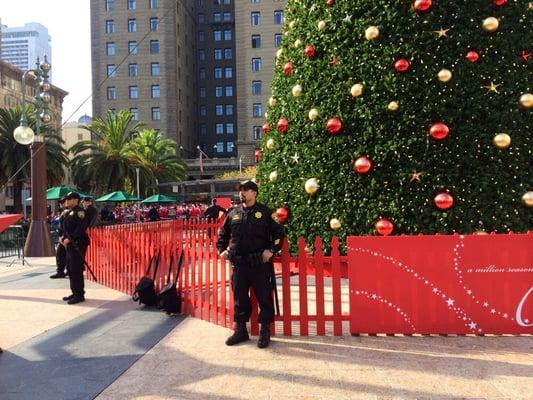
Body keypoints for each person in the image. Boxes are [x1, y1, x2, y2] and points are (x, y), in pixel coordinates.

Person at [217, 180, 285, 348]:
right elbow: (223, 234)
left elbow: (279, 232)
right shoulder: (233, 213)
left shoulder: (265, 212)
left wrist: (271, 250)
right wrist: (222, 250)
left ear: (254, 193)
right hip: (239, 264)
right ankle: (240, 331)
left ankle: (264, 331)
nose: (242, 193)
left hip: (259, 265)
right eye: (241, 190)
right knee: (240, 298)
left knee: (264, 298)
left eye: (246, 190)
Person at [60, 192, 90, 305]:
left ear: (76, 200)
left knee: (76, 269)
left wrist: (70, 238)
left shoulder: (80, 212)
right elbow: (66, 228)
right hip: (69, 244)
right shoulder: (69, 212)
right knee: (70, 269)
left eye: (69, 199)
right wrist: (63, 237)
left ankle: (79, 294)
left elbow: (81, 228)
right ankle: (74, 292)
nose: (67, 201)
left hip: (78, 243)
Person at [50, 196, 69, 279]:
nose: (60, 204)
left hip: (66, 238)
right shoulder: (65, 212)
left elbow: (66, 226)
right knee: (64, 254)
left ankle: (61, 271)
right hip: (64, 237)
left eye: (62, 202)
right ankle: (66, 271)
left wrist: (63, 237)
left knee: (60, 254)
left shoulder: (67, 212)